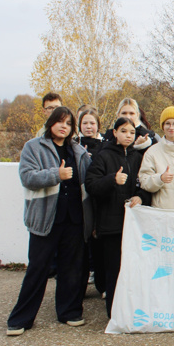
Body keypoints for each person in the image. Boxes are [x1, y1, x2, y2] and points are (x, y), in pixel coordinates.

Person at [7, 106, 92, 336]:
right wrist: (56, 174)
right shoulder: (34, 147)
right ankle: (20, 319)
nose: (64, 126)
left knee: (71, 268)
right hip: (46, 218)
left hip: (74, 218)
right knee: (38, 268)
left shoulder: (78, 151)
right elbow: (27, 177)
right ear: (51, 123)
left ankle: (69, 312)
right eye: (60, 121)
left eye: (68, 123)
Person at [85, 117, 151, 318]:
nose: (128, 135)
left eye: (131, 132)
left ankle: (131, 311)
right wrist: (111, 179)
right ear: (114, 133)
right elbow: (91, 185)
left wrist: (140, 197)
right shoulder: (103, 155)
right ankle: (114, 314)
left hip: (133, 225)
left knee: (132, 271)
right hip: (111, 225)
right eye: (123, 131)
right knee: (114, 271)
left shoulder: (137, 157)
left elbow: (145, 186)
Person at [76, 107, 105, 293]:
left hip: (100, 200)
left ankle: (102, 286)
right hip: (80, 201)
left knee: (99, 245)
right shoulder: (74, 144)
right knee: (80, 247)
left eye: (92, 123)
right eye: (85, 123)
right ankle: (80, 287)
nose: (89, 127)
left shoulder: (105, 145)